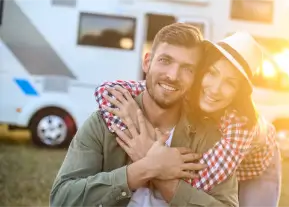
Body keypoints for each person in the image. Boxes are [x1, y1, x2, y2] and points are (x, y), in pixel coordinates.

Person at [50, 23, 239, 207]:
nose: (173, 75)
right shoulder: (103, 123)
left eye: (187, 68)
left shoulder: (210, 139)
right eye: (165, 61)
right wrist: (147, 167)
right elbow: (62, 199)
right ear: (147, 62)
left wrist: (167, 182)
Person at [95, 32, 282, 206]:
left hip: (257, 169)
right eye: (212, 73)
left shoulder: (241, 124)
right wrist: (142, 133)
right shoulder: (187, 87)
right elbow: (107, 90)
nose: (215, 88)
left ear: (238, 93)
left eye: (230, 83)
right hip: (220, 155)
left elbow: (197, 183)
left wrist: (148, 154)